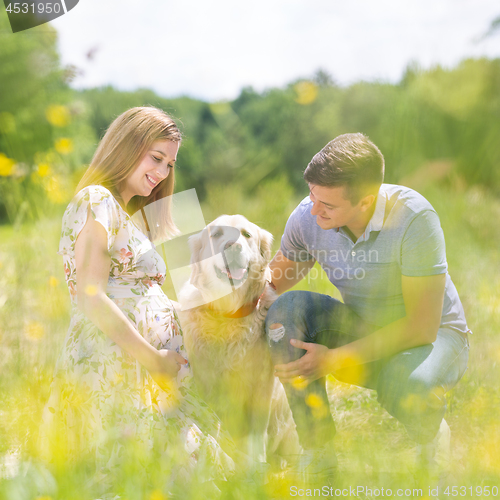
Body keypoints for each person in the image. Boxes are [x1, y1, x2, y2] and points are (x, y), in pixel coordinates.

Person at [38, 107, 235, 497]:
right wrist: (153, 358)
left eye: (170, 164)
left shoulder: (128, 213)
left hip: (146, 366)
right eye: (156, 158)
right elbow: (91, 296)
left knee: (162, 475)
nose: (162, 173)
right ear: (127, 146)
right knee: (133, 474)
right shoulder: (96, 199)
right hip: (119, 364)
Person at [265, 133, 470, 481]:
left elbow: (422, 326)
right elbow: (270, 285)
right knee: (285, 312)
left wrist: (333, 360)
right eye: (312, 195)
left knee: (408, 384)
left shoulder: (414, 219)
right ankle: (319, 454)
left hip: (434, 337)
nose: (314, 210)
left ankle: (432, 437)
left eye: (327, 205)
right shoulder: (308, 215)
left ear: (365, 202)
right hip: (364, 326)